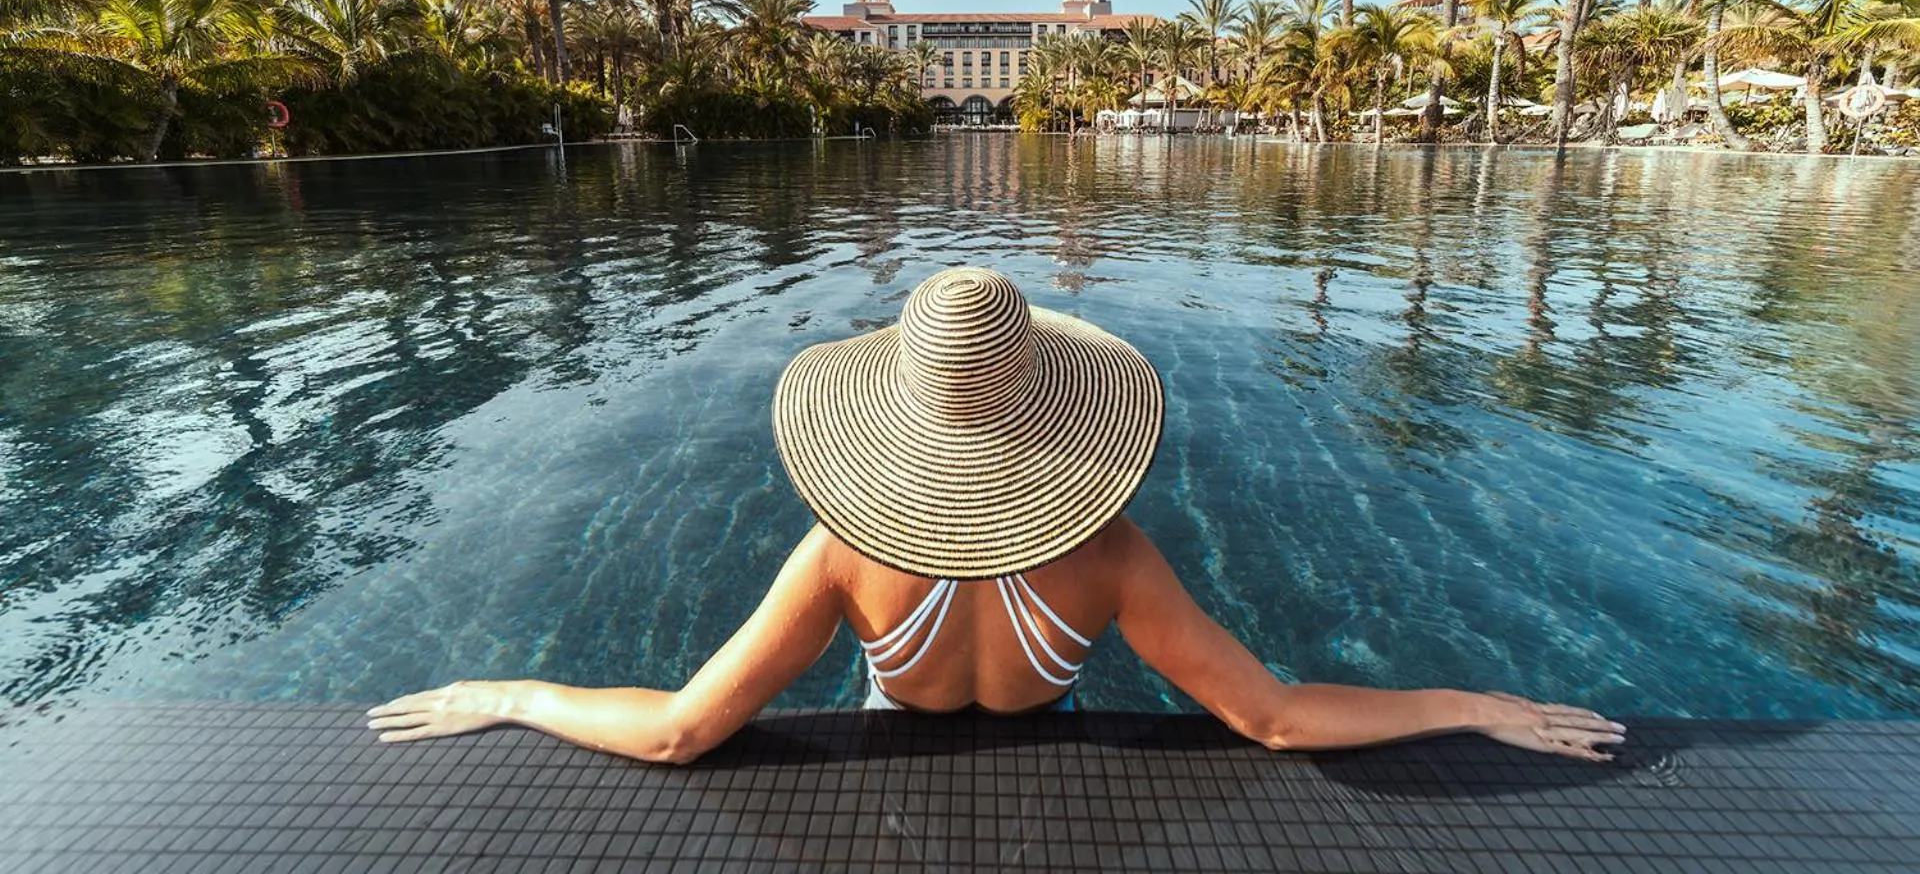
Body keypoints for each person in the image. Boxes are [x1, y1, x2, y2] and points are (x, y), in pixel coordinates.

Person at [368, 267, 1625, 765]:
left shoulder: (848, 551)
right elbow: (1276, 717)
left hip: (888, 734)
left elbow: (687, 727)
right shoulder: (1108, 555)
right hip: (1054, 725)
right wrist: (1466, 701)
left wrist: (518, 694)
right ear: (1054, 410)